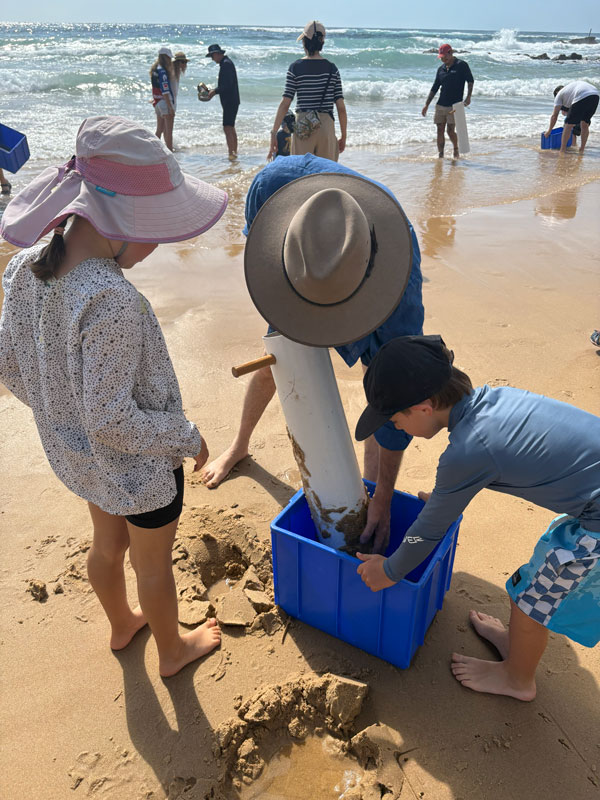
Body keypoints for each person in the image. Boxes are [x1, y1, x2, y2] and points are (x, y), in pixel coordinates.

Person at [0, 116, 229, 677]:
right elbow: (112, 419)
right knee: (154, 567)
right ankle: (173, 651)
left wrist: (60, 416)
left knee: (107, 547)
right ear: (120, 222)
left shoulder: (24, 267)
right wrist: (186, 436)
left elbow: (10, 366)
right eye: (157, 229)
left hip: (79, 460)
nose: (158, 246)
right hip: (138, 473)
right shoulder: (112, 301)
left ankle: (122, 623)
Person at [354, 335, 600, 701]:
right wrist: (443, 500)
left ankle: (518, 680)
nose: (397, 428)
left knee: (531, 601)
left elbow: (428, 531)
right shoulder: (493, 403)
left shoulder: (467, 451)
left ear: (423, 407)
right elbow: (505, 458)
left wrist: (389, 572)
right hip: (590, 501)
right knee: (529, 588)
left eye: (395, 419)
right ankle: (515, 644)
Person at [201, 154, 425, 550]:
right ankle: (239, 445)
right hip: (304, 277)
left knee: (383, 383)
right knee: (278, 357)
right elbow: (263, 266)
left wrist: (383, 500)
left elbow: (395, 404)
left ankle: (370, 488)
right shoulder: (270, 188)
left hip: (370, 267)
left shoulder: (397, 290)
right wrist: (302, 304)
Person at [267, 21, 347, 162]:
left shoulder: (295, 67)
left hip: (304, 125)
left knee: (302, 175)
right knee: (326, 175)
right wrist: (343, 135)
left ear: (304, 42)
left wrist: (274, 134)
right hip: (326, 127)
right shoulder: (332, 69)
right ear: (322, 43)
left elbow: (285, 103)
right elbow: (341, 108)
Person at [422, 44, 474, 159]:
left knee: (450, 131)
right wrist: (426, 105)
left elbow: (470, 81)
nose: (443, 59)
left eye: (444, 57)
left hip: (455, 106)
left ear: (450, 53)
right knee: (439, 129)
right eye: (441, 57)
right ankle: (441, 155)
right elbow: (435, 87)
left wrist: (468, 97)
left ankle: (456, 149)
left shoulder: (462, 65)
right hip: (440, 105)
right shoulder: (441, 69)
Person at [205, 44, 240, 159]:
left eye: (212, 56)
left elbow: (227, 85)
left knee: (227, 127)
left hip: (230, 100)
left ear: (217, 53)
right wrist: (214, 91)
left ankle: (232, 153)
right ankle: (234, 152)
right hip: (232, 100)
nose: (212, 58)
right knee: (230, 126)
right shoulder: (226, 63)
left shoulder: (226, 64)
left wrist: (215, 91)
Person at [546, 81, 599, 155]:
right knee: (585, 123)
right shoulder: (568, 92)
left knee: (568, 124)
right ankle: (582, 149)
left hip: (582, 94)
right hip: (595, 94)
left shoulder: (558, 96)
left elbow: (554, 116)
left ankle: (562, 150)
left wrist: (549, 131)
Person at [150, 46, 175, 152]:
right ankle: (169, 152)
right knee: (168, 132)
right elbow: (165, 91)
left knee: (159, 130)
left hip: (157, 102)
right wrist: (170, 106)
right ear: (165, 58)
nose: (170, 60)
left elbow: (155, 88)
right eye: (169, 58)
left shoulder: (154, 70)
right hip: (164, 103)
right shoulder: (163, 72)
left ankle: (154, 150)